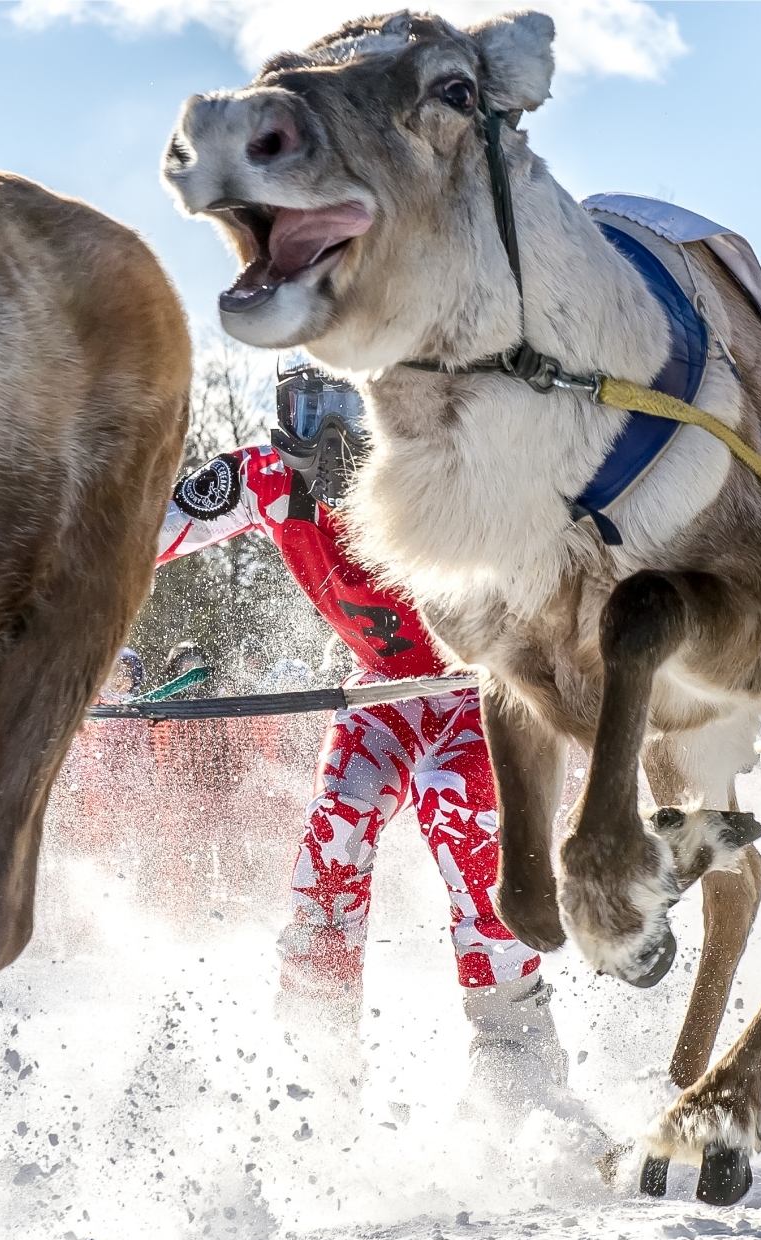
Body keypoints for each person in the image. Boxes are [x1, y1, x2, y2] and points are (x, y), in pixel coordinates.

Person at [156, 365, 564, 1118]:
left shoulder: (444, 465)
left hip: (481, 691)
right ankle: (316, 1045)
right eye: (312, 410)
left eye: (351, 406)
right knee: (336, 825)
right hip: (383, 691)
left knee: (456, 813)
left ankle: (514, 1045)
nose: (336, 439)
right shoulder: (266, 480)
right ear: (286, 417)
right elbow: (148, 532)